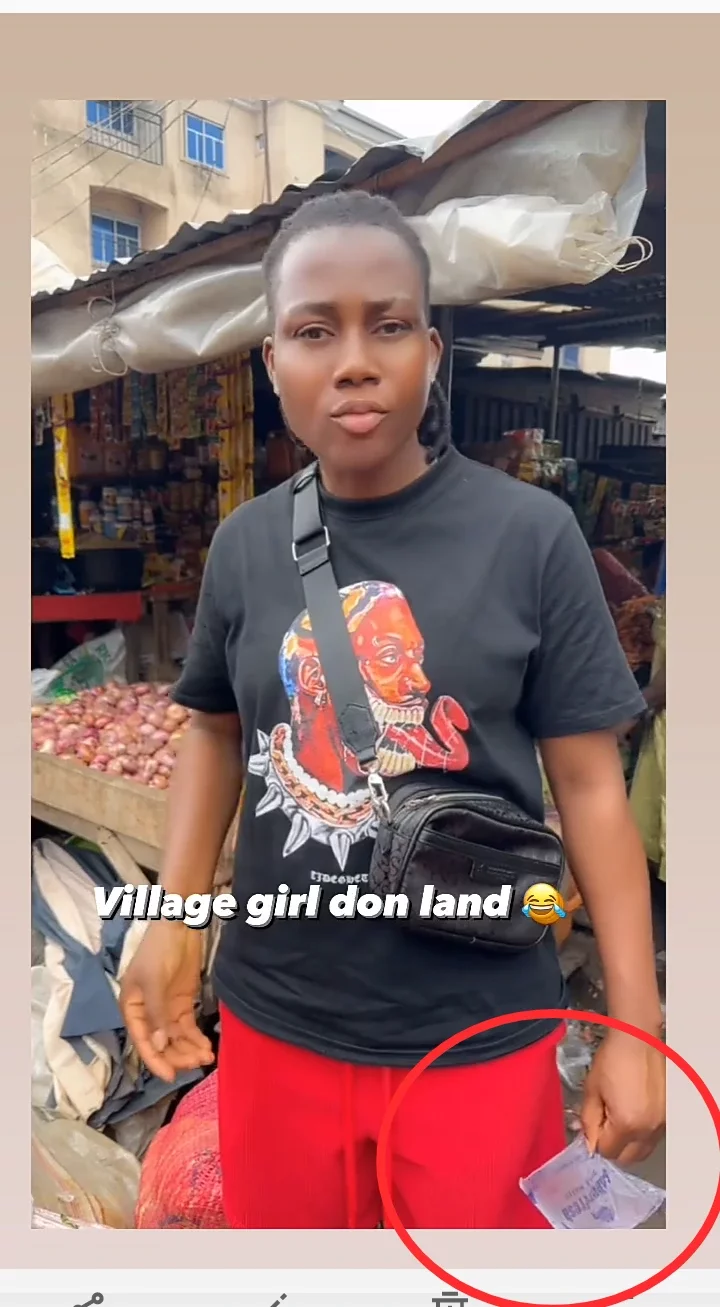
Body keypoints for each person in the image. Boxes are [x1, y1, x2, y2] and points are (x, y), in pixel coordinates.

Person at [120, 191, 665, 1230]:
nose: (354, 359)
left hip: (477, 1032)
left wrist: (635, 1019)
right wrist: (175, 919)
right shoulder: (243, 544)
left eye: (390, 324)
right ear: (274, 361)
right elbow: (213, 732)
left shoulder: (533, 536)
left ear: (432, 350)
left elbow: (593, 787)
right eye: (315, 330)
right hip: (278, 1026)